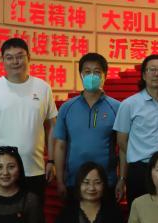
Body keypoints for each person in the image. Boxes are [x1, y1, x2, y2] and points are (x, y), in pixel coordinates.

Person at [0, 38, 58, 201]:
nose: (15, 61)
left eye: (20, 56)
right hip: (1, 172)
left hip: (35, 169)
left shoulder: (43, 88)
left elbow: (52, 126)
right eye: (9, 57)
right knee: (0, 215)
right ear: (3, 60)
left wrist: (52, 161)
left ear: (29, 58)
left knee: (34, 215)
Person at [114, 54, 158, 205]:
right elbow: (122, 142)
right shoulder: (129, 104)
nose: (157, 73)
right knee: (141, 213)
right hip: (140, 170)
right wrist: (124, 175)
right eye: (152, 69)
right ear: (144, 75)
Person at [52, 52, 121, 199]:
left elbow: (123, 147)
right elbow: (60, 146)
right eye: (87, 72)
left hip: (106, 181)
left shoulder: (117, 107)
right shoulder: (67, 107)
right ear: (81, 75)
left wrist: (122, 179)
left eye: (97, 72)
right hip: (74, 181)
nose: (92, 76)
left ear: (105, 76)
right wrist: (60, 180)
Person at [52, 161, 126, 223]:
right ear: (79, 185)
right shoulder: (66, 214)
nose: (91, 188)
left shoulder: (114, 213)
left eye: (97, 183)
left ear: (104, 185)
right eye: (86, 182)